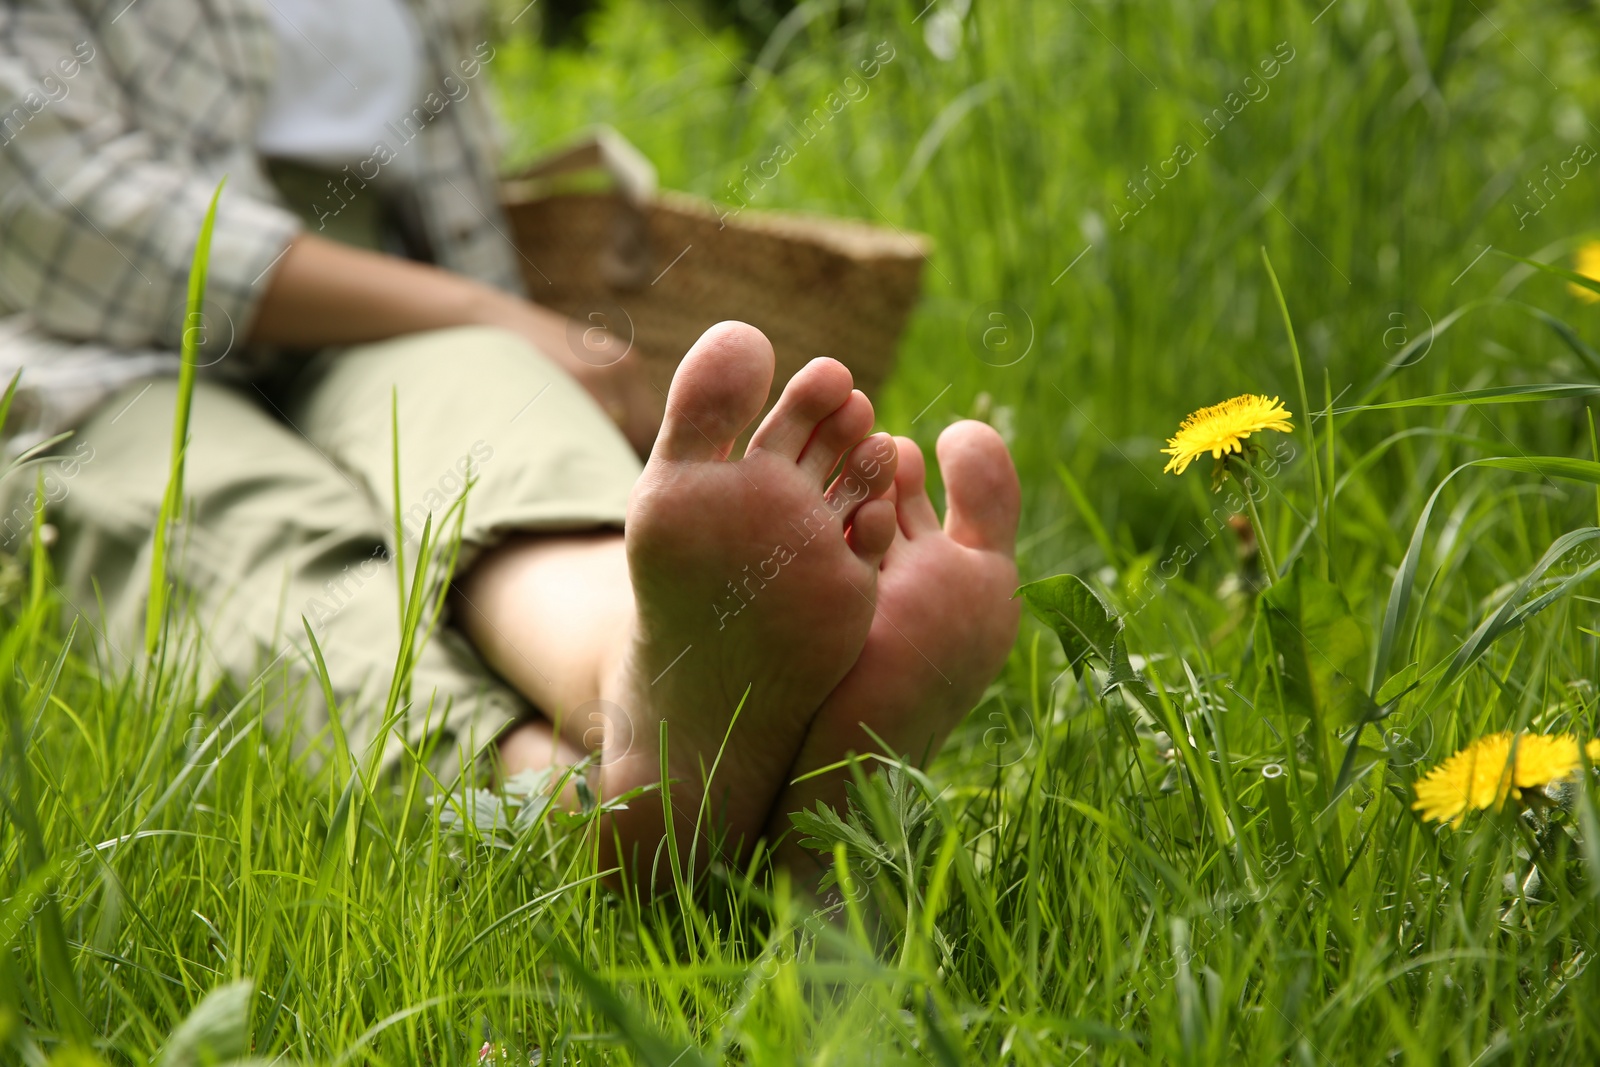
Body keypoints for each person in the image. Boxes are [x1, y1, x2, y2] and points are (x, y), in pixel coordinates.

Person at [0, 0, 1022, 890]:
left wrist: (491, 324)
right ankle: (585, 812)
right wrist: (488, 310)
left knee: (502, 437)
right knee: (238, 533)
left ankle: (647, 680)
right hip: (77, 342)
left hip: (386, 287)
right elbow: (55, 197)